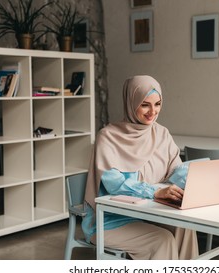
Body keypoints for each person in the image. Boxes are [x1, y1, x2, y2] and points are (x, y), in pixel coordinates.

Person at [82, 75, 199, 260]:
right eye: (145, 104)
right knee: (163, 240)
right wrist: (154, 192)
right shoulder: (108, 137)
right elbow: (115, 185)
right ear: (131, 102)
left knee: (186, 227)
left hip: (149, 213)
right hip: (111, 220)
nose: (153, 111)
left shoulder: (161, 133)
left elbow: (175, 169)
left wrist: (195, 179)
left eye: (158, 104)